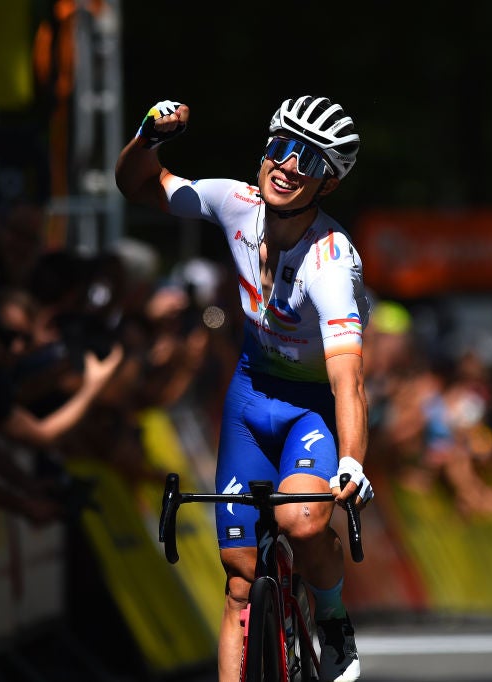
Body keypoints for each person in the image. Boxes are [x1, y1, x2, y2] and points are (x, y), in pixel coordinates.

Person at [116, 96, 372, 682]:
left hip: (313, 408)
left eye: (309, 161)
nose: (288, 166)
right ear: (265, 152)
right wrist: (148, 137)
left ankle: (331, 617)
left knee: (304, 524)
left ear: (326, 185)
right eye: (282, 148)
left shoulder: (332, 263)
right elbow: (140, 186)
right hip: (249, 398)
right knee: (238, 575)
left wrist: (353, 461)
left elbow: (348, 379)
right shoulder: (234, 202)